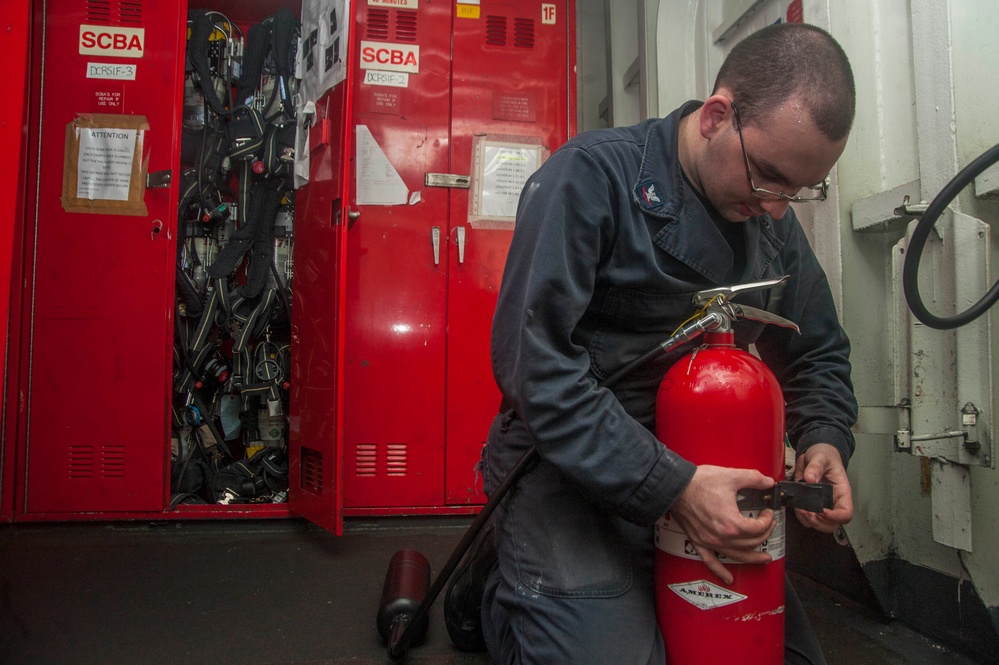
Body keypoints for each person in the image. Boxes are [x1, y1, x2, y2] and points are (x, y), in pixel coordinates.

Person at [453, 21, 858, 665]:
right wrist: (673, 488)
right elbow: (536, 370)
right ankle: (502, 592)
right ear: (716, 116)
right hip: (568, 469)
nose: (779, 209)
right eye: (769, 179)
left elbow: (818, 350)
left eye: (798, 192)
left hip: (701, 471)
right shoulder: (589, 180)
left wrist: (825, 437)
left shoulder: (771, 221)